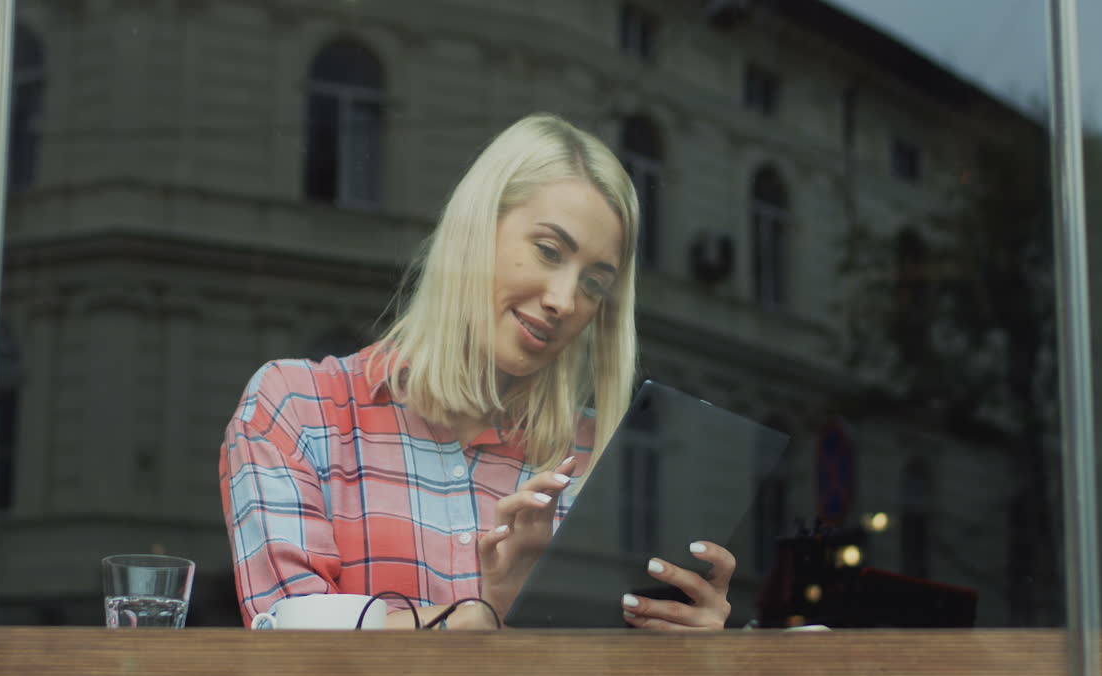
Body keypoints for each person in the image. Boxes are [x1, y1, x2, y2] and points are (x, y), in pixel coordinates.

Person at [219, 113, 735, 630]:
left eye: (595, 285)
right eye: (549, 251)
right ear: (476, 229)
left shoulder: (597, 457)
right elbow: (286, 640)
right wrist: (458, 625)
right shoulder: (298, 407)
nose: (564, 301)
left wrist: (688, 659)